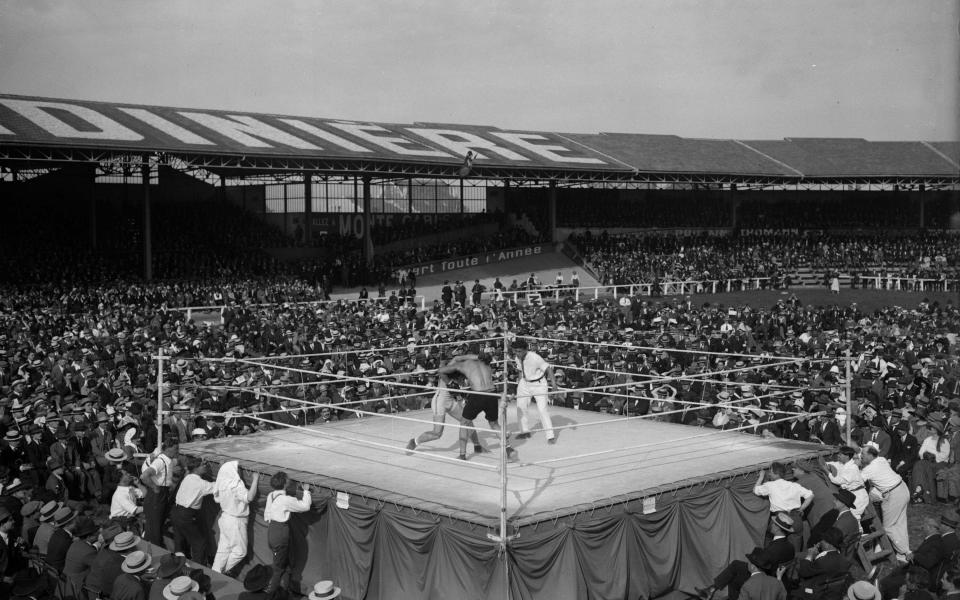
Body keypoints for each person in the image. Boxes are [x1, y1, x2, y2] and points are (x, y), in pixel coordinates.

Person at [437, 354, 515, 461]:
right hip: (492, 394)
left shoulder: (463, 365)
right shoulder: (486, 364)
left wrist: (450, 383)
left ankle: (462, 455)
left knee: (464, 423)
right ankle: (508, 448)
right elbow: (474, 358)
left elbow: (441, 370)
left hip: (478, 395)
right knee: (494, 424)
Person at [406, 375, 482, 453]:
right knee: (437, 433)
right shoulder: (447, 367)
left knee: (467, 421)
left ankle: (477, 446)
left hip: (450, 400)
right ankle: (415, 441)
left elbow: (460, 383)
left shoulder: (460, 366)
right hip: (440, 401)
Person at [860, 444, 911, 562]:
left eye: (863, 454)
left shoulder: (869, 469)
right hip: (903, 488)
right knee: (899, 523)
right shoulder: (881, 459)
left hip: (894, 494)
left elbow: (858, 480)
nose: (861, 456)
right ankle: (902, 553)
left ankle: (905, 552)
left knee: (888, 527)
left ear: (870, 455)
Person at [263, 472, 311, 595]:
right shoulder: (285, 499)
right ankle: (270, 595)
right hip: (280, 534)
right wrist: (306, 491)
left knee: (286, 564)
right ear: (285, 483)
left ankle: (284, 591)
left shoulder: (271, 495)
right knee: (278, 568)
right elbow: (305, 506)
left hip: (272, 531)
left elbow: (267, 516)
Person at [753, 462, 814, 552]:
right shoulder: (794, 485)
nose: (769, 474)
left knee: (774, 548)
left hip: (779, 521)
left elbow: (756, 490)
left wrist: (761, 476)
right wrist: (801, 509)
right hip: (796, 519)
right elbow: (810, 495)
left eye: (770, 472)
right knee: (795, 551)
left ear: (776, 473)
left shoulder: (770, 485)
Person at [212, 460, 259, 575]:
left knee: (223, 550)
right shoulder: (235, 485)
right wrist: (255, 479)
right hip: (235, 521)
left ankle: (214, 572)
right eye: (237, 469)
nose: (239, 471)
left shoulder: (222, 483)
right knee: (240, 552)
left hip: (225, 518)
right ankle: (222, 571)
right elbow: (250, 497)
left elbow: (216, 498)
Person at [171, 456, 216, 565]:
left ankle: (177, 565)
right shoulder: (201, 484)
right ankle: (198, 569)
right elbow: (217, 486)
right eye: (203, 465)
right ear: (196, 468)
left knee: (179, 542)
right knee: (199, 544)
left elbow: (190, 471)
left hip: (175, 512)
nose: (205, 466)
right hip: (186, 515)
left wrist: (200, 462)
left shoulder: (188, 477)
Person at [511, 339, 557, 444]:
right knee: (521, 407)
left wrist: (554, 385)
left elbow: (548, 369)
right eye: (515, 351)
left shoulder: (535, 357)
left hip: (539, 384)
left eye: (519, 351)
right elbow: (520, 371)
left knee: (542, 410)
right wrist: (519, 384)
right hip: (524, 383)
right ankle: (524, 431)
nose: (517, 353)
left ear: (525, 350)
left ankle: (550, 436)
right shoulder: (517, 358)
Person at [140, 437, 178, 545]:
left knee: (158, 523)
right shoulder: (160, 461)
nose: (177, 451)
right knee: (155, 526)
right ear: (168, 448)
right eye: (175, 449)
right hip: (156, 495)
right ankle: (154, 548)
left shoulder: (168, 460)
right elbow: (144, 476)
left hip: (162, 493)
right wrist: (154, 487)